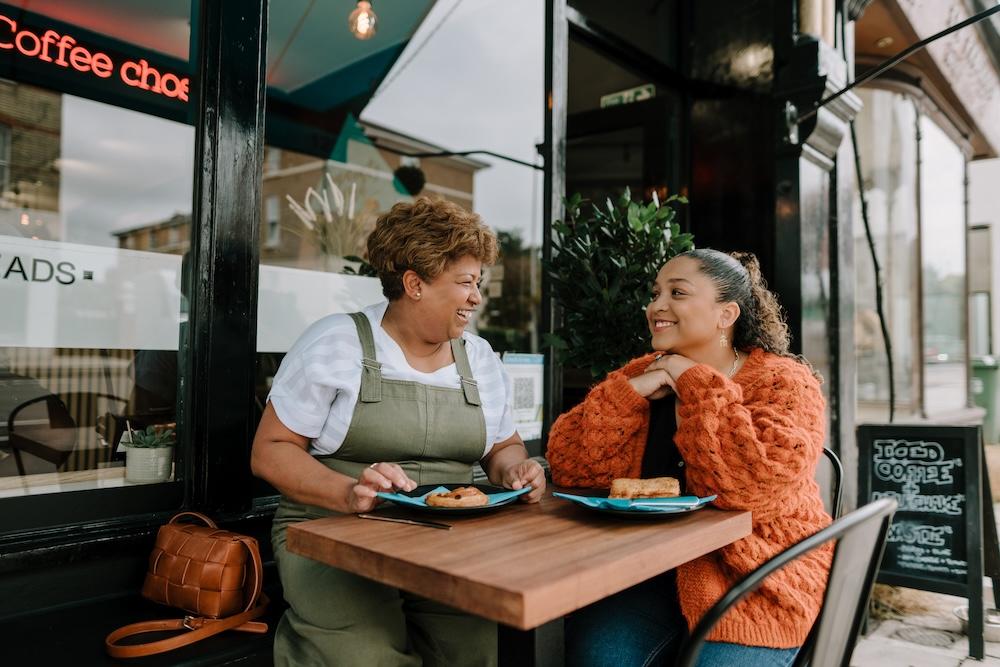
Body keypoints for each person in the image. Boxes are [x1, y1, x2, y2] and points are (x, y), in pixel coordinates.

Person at [251, 197, 545, 667]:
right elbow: (270, 451)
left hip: (448, 541)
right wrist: (349, 492)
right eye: (466, 283)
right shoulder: (336, 343)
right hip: (333, 535)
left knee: (482, 649)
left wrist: (516, 469)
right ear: (414, 284)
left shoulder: (480, 357)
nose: (476, 297)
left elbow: (501, 446)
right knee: (366, 656)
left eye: (478, 283)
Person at [546, 248, 831, 667]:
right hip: (649, 572)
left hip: (756, 574)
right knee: (596, 657)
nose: (656, 306)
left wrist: (695, 381)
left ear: (726, 314)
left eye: (677, 293)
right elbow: (569, 466)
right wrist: (630, 395)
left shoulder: (784, 382)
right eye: (656, 292)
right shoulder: (641, 372)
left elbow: (748, 489)